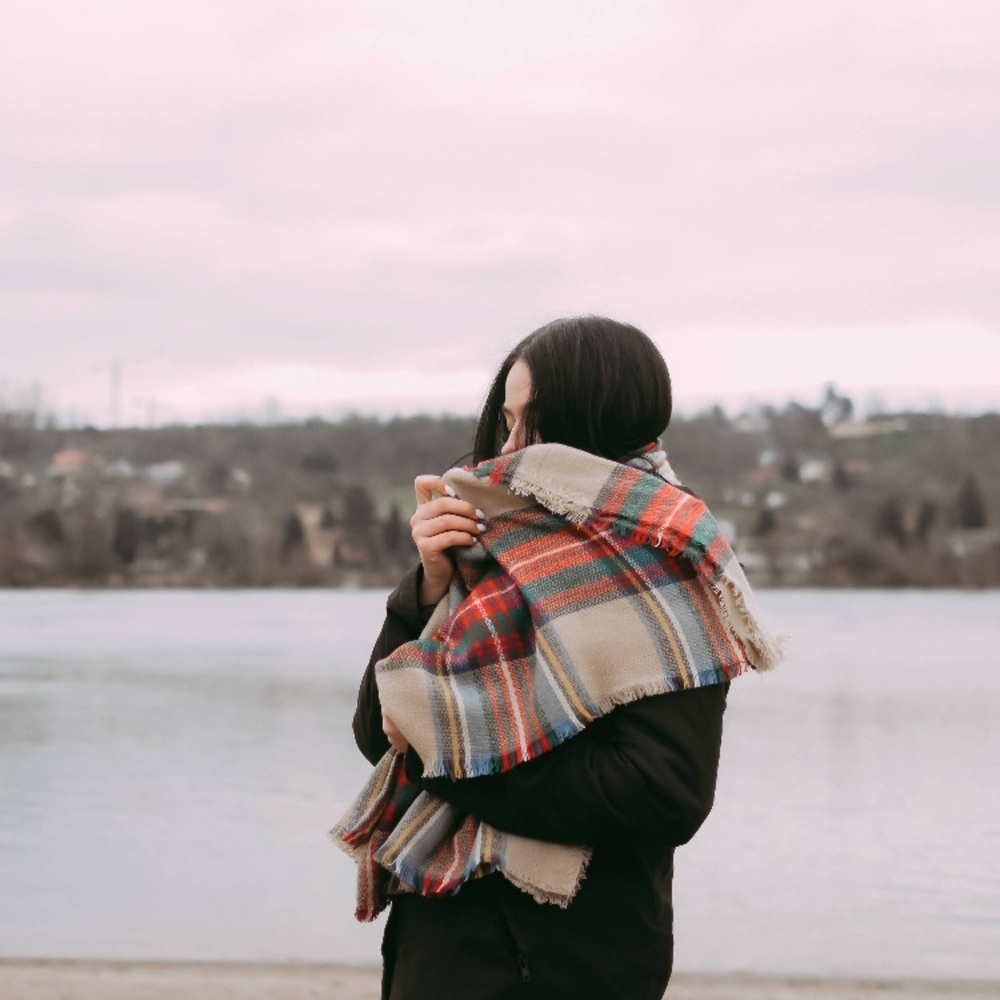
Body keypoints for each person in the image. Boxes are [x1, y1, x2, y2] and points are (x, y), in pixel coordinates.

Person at [347, 317, 779, 1000]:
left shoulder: (670, 562)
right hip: (437, 943)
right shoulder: (496, 546)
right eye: (507, 422)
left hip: (568, 960)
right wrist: (426, 586)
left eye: (537, 426)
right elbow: (378, 734)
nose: (510, 448)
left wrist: (450, 755)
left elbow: (662, 793)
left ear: (598, 425)